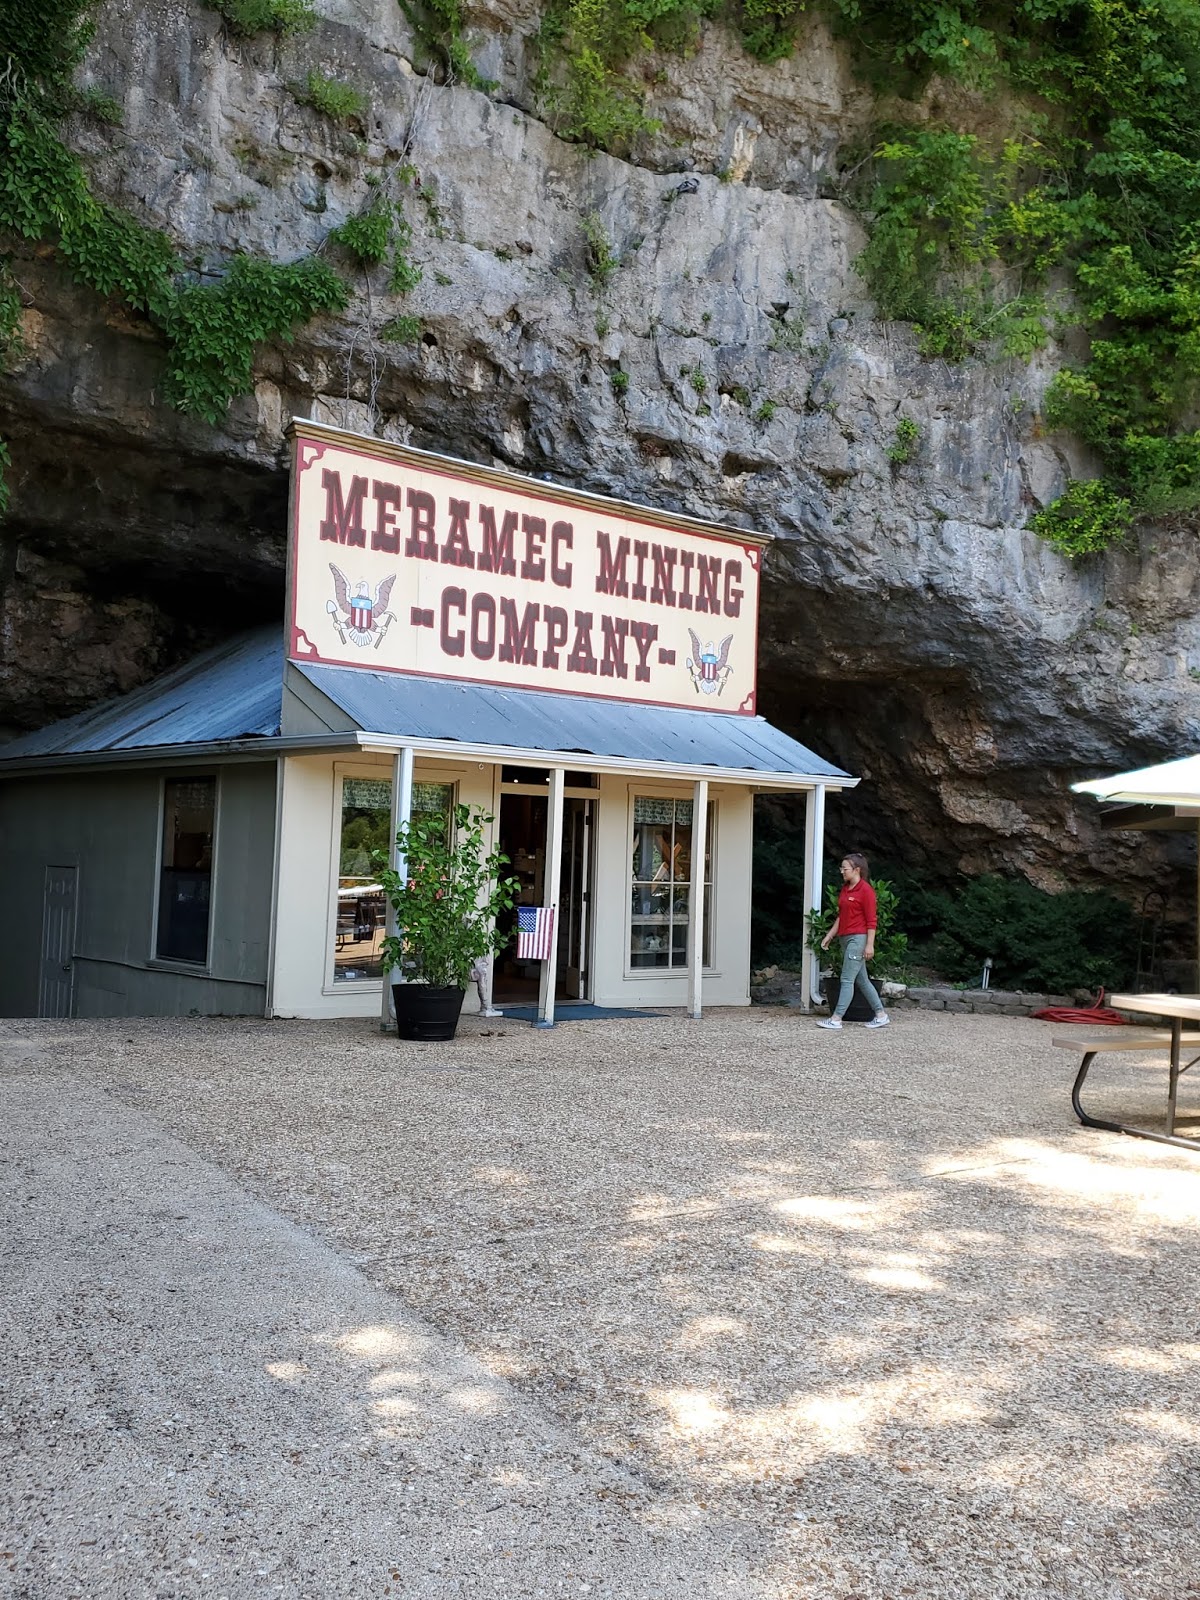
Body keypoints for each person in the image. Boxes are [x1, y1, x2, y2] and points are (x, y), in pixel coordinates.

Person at [816, 852, 890, 1030]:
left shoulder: (866, 891)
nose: (842, 871)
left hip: (857, 939)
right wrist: (829, 935)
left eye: (845, 868)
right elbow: (842, 916)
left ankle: (836, 1018)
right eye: (841, 868)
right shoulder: (846, 888)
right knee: (862, 980)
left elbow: (872, 920)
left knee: (847, 979)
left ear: (857, 870)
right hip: (845, 938)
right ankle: (881, 1014)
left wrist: (869, 945)